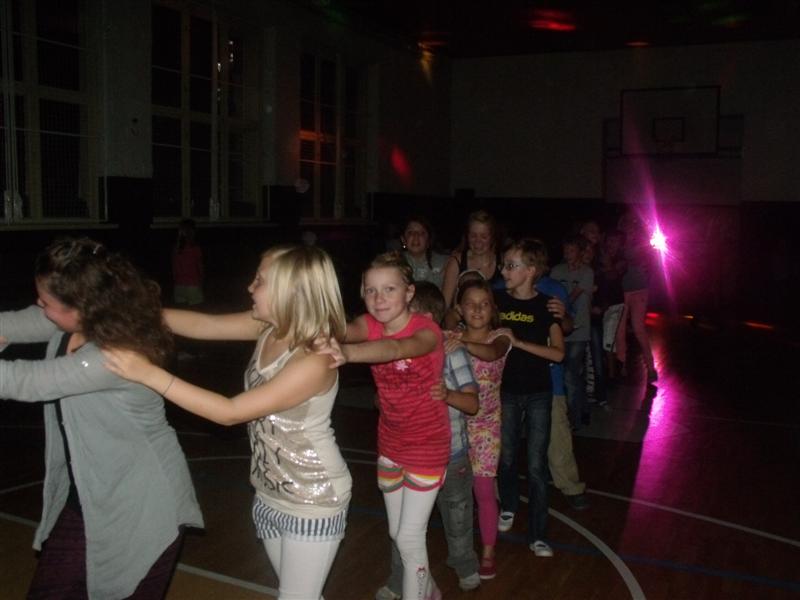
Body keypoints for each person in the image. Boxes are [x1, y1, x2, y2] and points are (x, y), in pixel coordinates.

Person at [104, 244, 352, 600]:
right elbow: (204, 324)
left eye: (260, 281)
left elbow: (229, 412)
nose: (250, 287)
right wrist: (134, 313)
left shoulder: (313, 360)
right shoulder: (268, 328)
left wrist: (147, 373)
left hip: (313, 497)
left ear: (290, 291)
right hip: (268, 491)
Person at [0, 237, 203, 599]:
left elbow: (25, 381)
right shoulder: (70, 321)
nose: (39, 307)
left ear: (81, 305)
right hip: (92, 496)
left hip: (144, 502)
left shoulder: (115, 353)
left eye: (46, 302)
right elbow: (12, 323)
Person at [321, 251, 448, 600]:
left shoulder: (427, 330)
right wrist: (313, 321)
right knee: (397, 533)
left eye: (389, 289)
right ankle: (430, 590)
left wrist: (348, 354)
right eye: (371, 290)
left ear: (409, 292)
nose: (379, 299)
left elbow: (395, 348)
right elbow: (345, 329)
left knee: (409, 537)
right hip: (390, 443)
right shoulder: (369, 323)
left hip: (427, 445)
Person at [377, 281, 480, 599]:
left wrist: (446, 394)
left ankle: (464, 566)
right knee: (403, 530)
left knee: (457, 520)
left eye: (407, 314)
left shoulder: (451, 352)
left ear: (427, 320)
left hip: (451, 453)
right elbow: (380, 401)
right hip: (406, 453)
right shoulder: (395, 352)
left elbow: (473, 404)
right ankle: (405, 580)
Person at [494, 238, 565, 557]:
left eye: (511, 265)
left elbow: (559, 353)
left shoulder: (547, 305)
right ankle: (508, 504)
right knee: (507, 456)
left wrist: (519, 343)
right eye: (503, 265)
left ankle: (538, 534)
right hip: (506, 390)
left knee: (536, 466)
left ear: (531, 270)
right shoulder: (496, 301)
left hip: (538, 393)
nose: (504, 271)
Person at [449, 278, 512, 579]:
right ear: (459, 309)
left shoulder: (502, 336)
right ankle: (457, 547)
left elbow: (492, 353)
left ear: (493, 309)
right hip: (454, 424)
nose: (477, 309)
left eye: (484, 304)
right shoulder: (451, 337)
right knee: (453, 491)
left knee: (484, 490)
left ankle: (488, 551)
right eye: (470, 304)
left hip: (486, 425)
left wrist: (461, 343)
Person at [550, 234, 594, 429]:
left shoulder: (587, 272)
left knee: (571, 373)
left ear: (580, 252)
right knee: (571, 375)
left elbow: (570, 298)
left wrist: (560, 304)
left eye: (572, 250)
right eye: (566, 250)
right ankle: (582, 409)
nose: (568, 254)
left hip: (579, 330)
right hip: (559, 331)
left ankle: (573, 419)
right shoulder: (556, 271)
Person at [615, 211, 658, 382]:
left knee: (638, 328)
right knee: (620, 329)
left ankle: (651, 367)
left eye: (633, 226)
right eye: (627, 225)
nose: (630, 228)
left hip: (639, 288)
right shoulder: (617, 243)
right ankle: (621, 366)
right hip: (623, 290)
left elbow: (641, 258)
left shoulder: (642, 244)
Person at [441, 210, 501, 307]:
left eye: (484, 236)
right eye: (473, 236)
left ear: (492, 237)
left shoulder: (503, 262)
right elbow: (445, 304)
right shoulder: (457, 262)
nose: (478, 241)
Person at [401, 216, 449, 289]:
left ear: (429, 240)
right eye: (410, 232)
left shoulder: (445, 262)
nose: (416, 236)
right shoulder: (394, 262)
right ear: (403, 239)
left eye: (422, 233)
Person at [172, 218, 204, 306]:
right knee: (196, 311)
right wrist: (201, 280)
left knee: (181, 311)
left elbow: (174, 267)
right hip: (193, 284)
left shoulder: (176, 249)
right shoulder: (195, 248)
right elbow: (200, 266)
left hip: (179, 285)